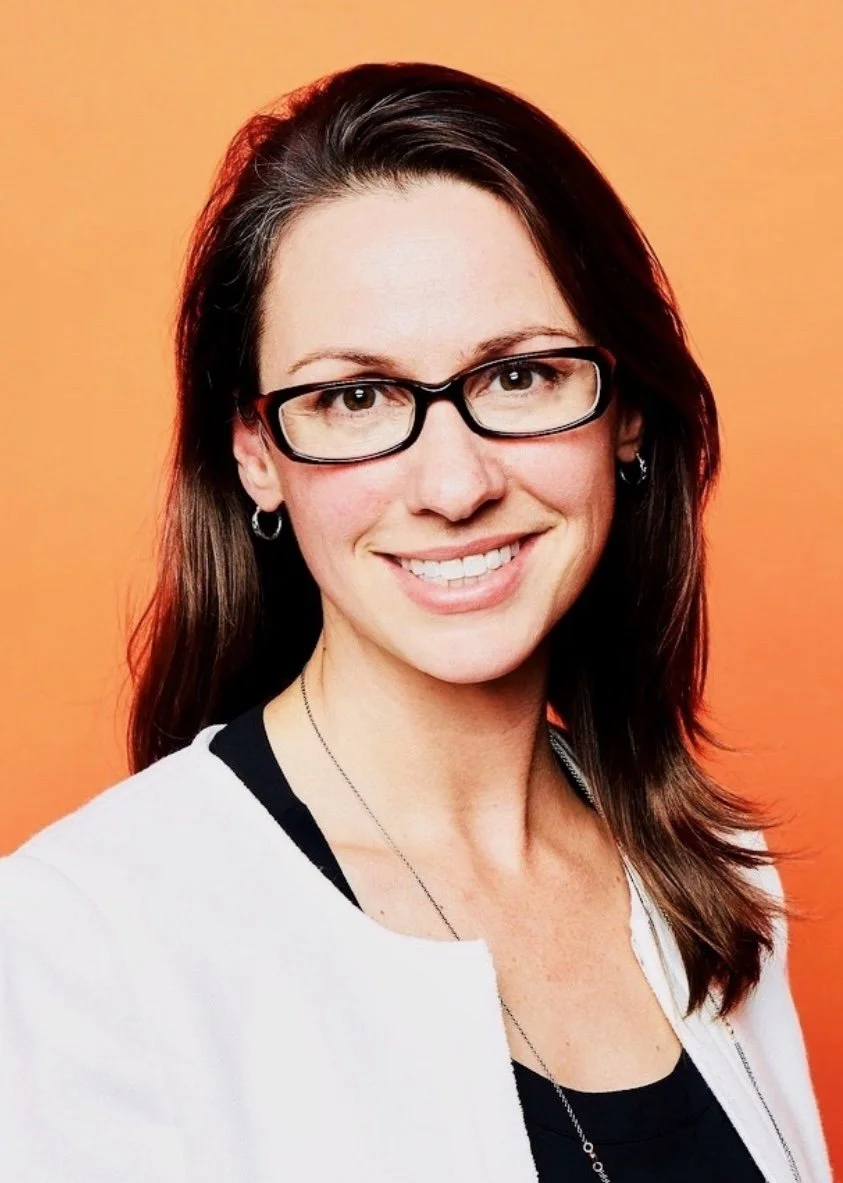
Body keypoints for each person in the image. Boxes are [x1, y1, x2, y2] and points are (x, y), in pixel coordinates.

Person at [0, 61, 831, 1183]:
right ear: (255, 452)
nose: (452, 482)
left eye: (522, 375)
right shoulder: (83, 944)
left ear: (624, 412)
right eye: (354, 396)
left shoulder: (715, 874)